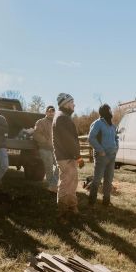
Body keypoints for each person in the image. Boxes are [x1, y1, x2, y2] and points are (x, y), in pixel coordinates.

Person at [52, 93, 84, 223]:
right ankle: (62, 214)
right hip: (65, 157)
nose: (74, 104)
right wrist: (78, 157)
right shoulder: (62, 118)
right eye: (72, 102)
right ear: (65, 104)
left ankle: (72, 208)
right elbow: (69, 141)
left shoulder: (63, 117)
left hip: (67, 156)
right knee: (65, 185)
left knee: (72, 183)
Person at [88, 104, 119, 207]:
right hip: (102, 156)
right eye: (110, 110)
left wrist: (116, 148)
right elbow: (91, 138)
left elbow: (116, 138)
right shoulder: (98, 124)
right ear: (106, 111)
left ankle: (106, 201)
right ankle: (91, 201)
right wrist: (100, 150)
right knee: (97, 180)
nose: (111, 112)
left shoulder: (112, 125)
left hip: (111, 156)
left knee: (109, 179)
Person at [33, 105, 59, 192]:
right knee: (49, 168)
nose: (51, 113)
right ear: (46, 112)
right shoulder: (40, 122)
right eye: (49, 111)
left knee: (60, 165)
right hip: (44, 149)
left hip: (55, 149)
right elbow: (36, 134)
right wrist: (46, 141)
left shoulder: (56, 122)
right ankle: (52, 187)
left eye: (53, 111)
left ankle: (52, 185)